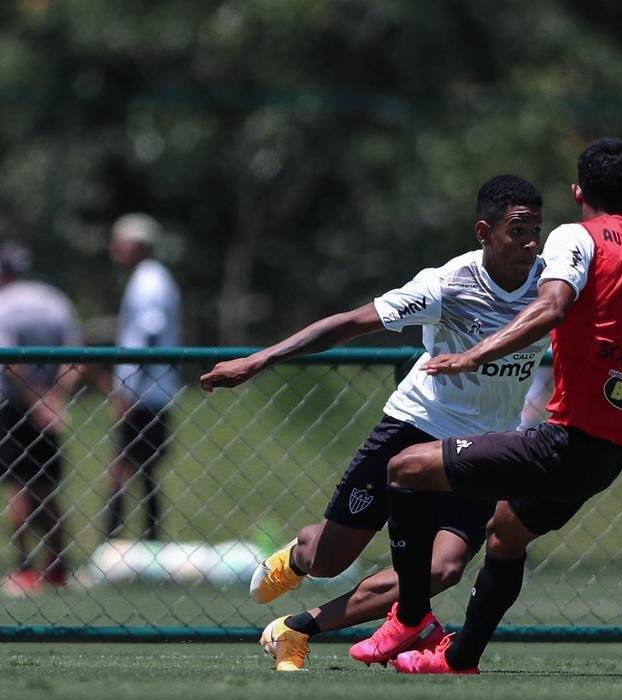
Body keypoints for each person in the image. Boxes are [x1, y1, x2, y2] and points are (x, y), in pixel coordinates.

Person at [371, 137, 622, 675]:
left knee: (405, 470)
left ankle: (411, 616)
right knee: (505, 533)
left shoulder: (576, 237)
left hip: (564, 442)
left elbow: (552, 307)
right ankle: (458, 659)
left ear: (578, 191)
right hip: (607, 456)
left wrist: (473, 355)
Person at [200, 175, 550, 670]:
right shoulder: (447, 285)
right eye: (518, 230)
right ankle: (299, 557)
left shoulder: (554, 287)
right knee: (329, 560)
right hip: (414, 429)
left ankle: (295, 629)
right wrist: (259, 360)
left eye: (537, 229)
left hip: (482, 447)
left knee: (442, 569)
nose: (531, 242)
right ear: (483, 231)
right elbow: (348, 323)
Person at [0, 242, 81, 596]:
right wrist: (54, 398)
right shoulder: (54, 299)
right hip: (50, 408)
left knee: (18, 487)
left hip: (13, 406)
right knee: (48, 490)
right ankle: (58, 566)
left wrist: (34, 400)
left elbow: (9, 361)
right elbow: (75, 353)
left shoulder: (4, 305)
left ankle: (25, 568)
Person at [106, 214, 182, 541]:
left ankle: (114, 539)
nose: (115, 248)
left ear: (137, 244)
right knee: (143, 469)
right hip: (152, 391)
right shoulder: (152, 278)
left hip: (144, 393)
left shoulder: (148, 281)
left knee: (122, 468)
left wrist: (129, 390)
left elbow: (149, 335)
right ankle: (148, 539)